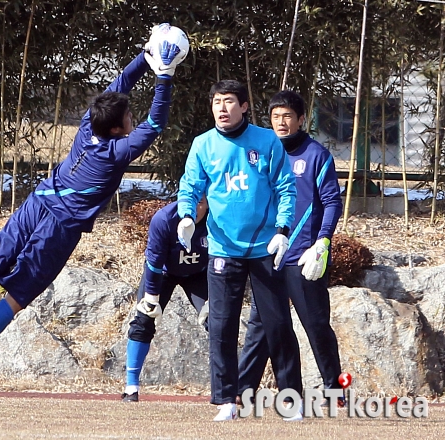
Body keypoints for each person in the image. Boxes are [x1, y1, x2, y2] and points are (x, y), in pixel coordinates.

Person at [0, 24, 188, 391]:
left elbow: (120, 82)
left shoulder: (88, 125)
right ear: (120, 129)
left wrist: (144, 56)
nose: (132, 121)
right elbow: (155, 123)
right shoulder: (117, 153)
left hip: (35, 203)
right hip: (59, 228)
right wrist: (164, 77)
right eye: (128, 120)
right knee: (15, 298)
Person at [176, 80, 303, 422]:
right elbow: (190, 185)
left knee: (277, 325)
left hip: (264, 247)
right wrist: (186, 216)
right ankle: (226, 401)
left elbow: (286, 189)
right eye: (217, 101)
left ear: (244, 106)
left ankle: (291, 400)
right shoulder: (202, 145)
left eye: (229, 101)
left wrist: (283, 230)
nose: (222, 108)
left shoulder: (267, 142)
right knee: (221, 325)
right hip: (222, 248)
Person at [237, 90, 345, 408]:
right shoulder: (262, 152)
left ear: (301, 119)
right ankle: (242, 390)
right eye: (275, 117)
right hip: (268, 255)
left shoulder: (316, 155)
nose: (281, 122)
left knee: (315, 325)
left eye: (287, 116)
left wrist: (322, 242)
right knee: (260, 325)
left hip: (303, 257)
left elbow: (331, 203)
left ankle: (334, 389)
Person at [122, 196, 209, 402]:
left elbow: (221, 259)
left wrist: (215, 295)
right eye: (191, 201)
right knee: (143, 320)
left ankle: (226, 389)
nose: (196, 208)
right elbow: (153, 262)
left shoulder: (216, 218)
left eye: (201, 203)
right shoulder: (163, 219)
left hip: (200, 274)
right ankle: (131, 386)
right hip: (164, 272)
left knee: (217, 321)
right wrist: (151, 297)